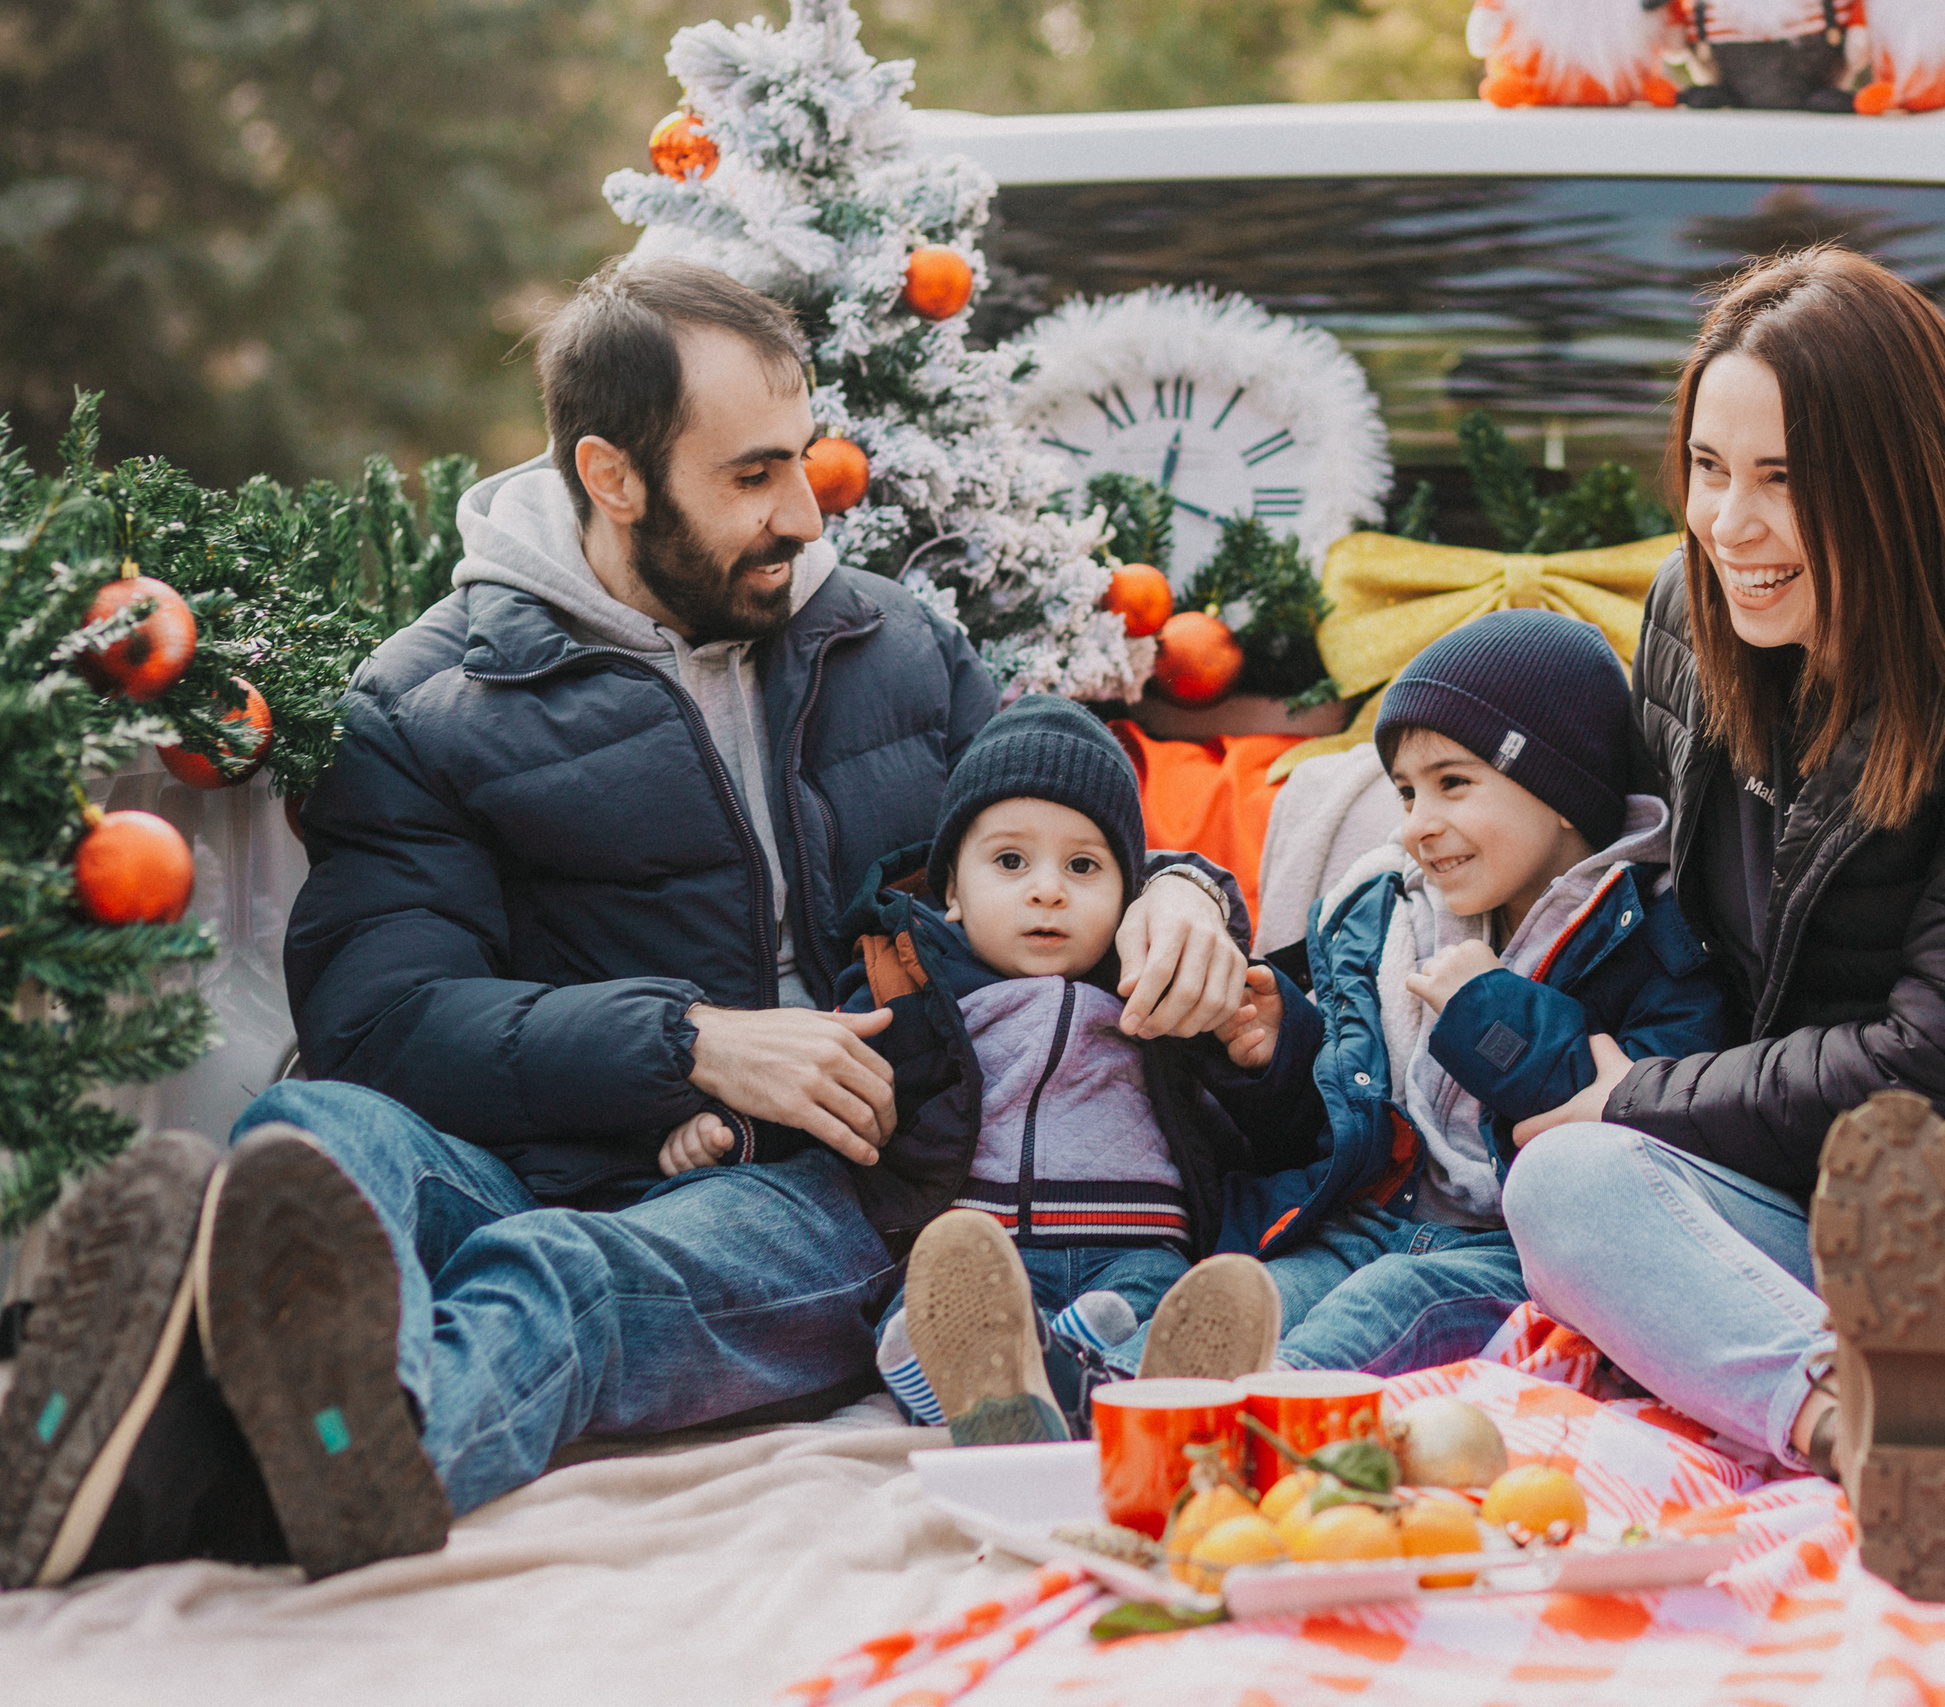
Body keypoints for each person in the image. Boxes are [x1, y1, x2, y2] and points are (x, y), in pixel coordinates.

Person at [0, 257, 1249, 1591]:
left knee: (564, 1276)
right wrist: (689, 1041)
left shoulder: (895, 645)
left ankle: (278, 1457)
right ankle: (265, 1440)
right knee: (308, 1134)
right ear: (611, 475)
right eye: (749, 475)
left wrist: (1185, 887)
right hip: (543, 1146)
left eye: (801, 459)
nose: (801, 512)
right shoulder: (428, 701)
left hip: (827, 1186)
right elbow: (378, 1018)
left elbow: (1062, 825)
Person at [1495, 246, 1945, 1604]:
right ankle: (1885, 1435)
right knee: (1569, 1184)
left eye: (1785, 479)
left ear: (1895, 479)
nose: (1731, 522)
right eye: (1710, 467)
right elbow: (1542, 812)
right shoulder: (1696, 618)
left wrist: (1644, 1090)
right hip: (1813, 1158)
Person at [924, 609, 1732, 1414]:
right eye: (1407, 792)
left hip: (1503, 1252)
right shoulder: (1390, 917)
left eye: (1454, 783)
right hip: (1369, 1214)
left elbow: (1643, 1130)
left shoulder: (1651, 939)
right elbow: (1333, 1113)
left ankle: (1176, 1416)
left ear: (1560, 791)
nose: (1417, 825)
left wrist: (1492, 1011)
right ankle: (1072, 1398)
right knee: (1249, 1296)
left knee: (1371, 1311)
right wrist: (1280, 1048)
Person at [786, 693, 1292, 1442]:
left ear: (1131, 892)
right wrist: (727, 1129)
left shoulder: (1150, 978)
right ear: (952, 890)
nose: (1047, 887)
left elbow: (1253, 1110)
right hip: (984, 1251)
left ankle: (1102, 1374)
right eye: (1011, 860)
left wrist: (1256, 1049)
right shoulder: (912, 978)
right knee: (924, 1307)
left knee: (1168, 1303)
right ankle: (1014, 1379)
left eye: (1084, 865)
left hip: (1137, 1243)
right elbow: (829, 1077)